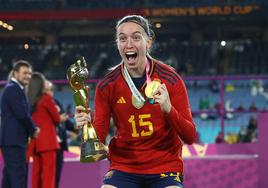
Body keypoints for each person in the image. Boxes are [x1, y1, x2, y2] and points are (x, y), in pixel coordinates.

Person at [75, 15, 196, 188]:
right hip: (124, 167)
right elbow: (97, 149)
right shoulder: (106, 86)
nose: (129, 44)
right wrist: (86, 128)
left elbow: (190, 136)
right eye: (122, 38)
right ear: (117, 44)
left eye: (136, 37)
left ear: (149, 42)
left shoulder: (171, 79)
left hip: (165, 166)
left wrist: (168, 108)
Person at [0, 60, 40, 188]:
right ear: (15, 73)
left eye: (29, 73)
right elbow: (21, 114)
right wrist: (33, 129)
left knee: (9, 177)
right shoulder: (13, 89)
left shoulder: (15, 89)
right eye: (24, 73)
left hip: (12, 141)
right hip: (14, 141)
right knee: (18, 177)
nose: (28, 76)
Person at [27, 73, 67, 188]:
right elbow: (56, 119)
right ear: (41, 84)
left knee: (36, 173)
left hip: (36, 142)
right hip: (48, 143)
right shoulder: (46, 99)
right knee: (49, 174)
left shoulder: (30, 99)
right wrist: (61, 118)